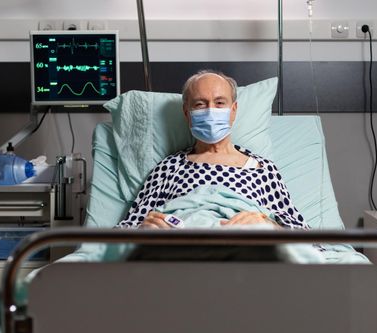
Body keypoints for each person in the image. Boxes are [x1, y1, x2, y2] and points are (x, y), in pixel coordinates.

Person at [116, 70, 308, 230]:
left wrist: (267, 224)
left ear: (233, 110)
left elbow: (300, 231)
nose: (210, 110)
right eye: (200, 104)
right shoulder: (169, 167)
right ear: (187, 113)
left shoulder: (262, 169)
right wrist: (146, 229)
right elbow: (129, 226)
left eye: (219, 103)